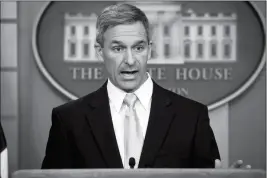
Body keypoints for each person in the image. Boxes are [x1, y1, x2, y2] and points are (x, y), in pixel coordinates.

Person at [42, 3, 247, 169]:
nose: (130, 60)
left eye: (138, 47)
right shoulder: (68, 119)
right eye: (118, 48)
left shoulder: (192, 116)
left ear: (149, 50)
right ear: (99, 51)